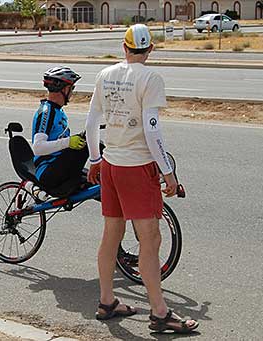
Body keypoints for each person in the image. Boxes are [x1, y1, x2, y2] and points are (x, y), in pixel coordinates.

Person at [85, 24, 199, 333]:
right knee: (150, 238)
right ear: (150, 50)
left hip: (110, 164)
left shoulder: (104, 75)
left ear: (123, 47)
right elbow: (152, 129)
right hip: (137, 166)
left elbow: (92, 120)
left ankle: (107, 300)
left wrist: (95, 158)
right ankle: (160, 312)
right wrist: (169, 173)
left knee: (112, 233)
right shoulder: (151, 78)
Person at [31, 66, 88, 198]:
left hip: (59, 166)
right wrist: (68, 142)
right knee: (87, 147)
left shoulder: (58, 111)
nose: (72, 92)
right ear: (64, 89)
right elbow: (38, 148)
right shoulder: (47, 112)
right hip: (47, 172)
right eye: (72, 88)